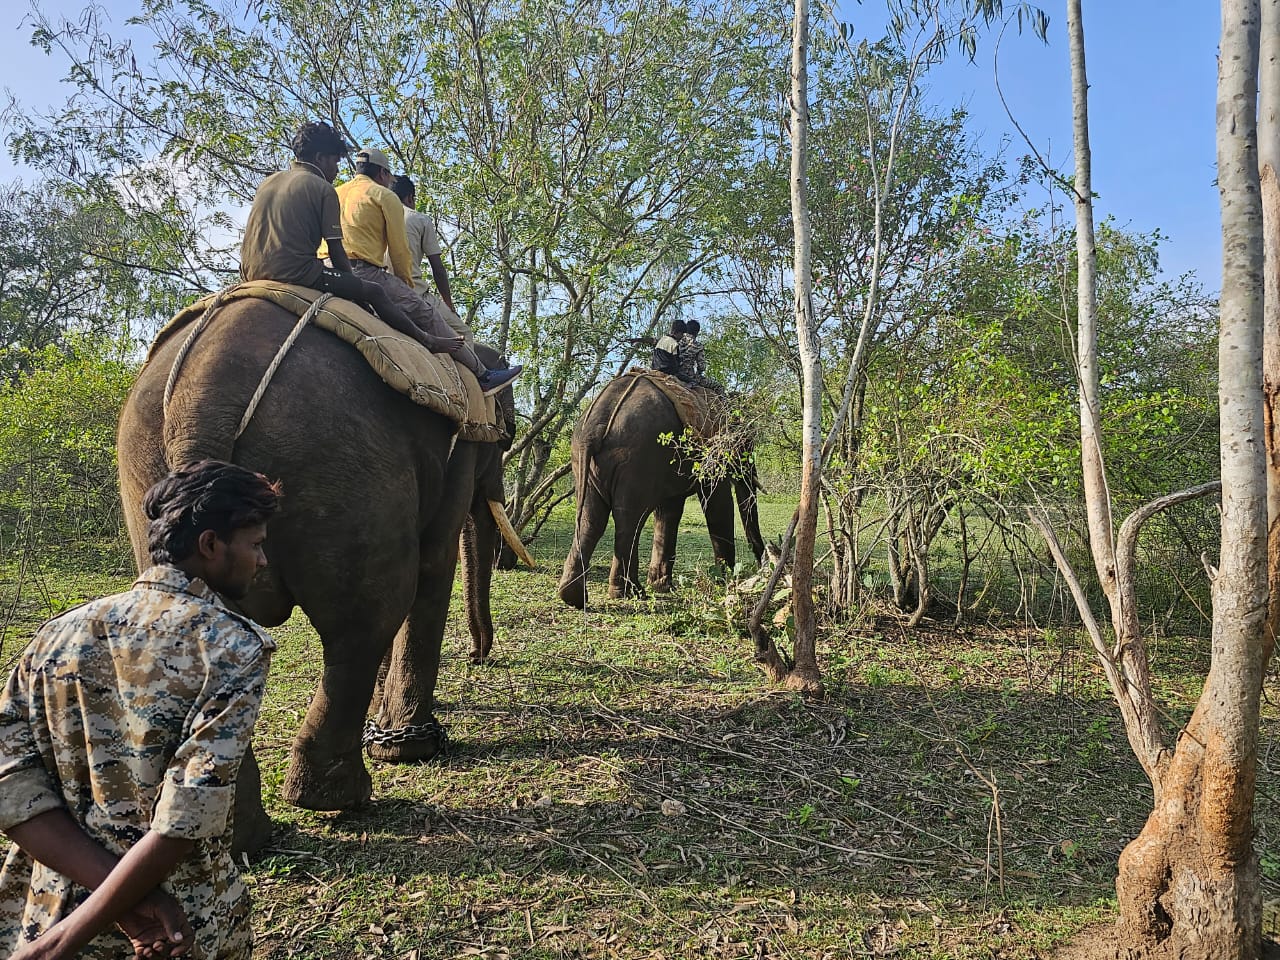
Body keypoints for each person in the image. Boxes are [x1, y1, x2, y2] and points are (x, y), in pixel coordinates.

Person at [0, 461, 282, 960]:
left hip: (52, 906)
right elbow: (186, 818)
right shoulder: (231, 647)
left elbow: (13, 789)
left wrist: (79, 928)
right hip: (182, 922)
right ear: (211, 545)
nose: (262, 561)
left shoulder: (55, 635)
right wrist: (64, 945)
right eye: (255, 544)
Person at [240, 121, 451, 358]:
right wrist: (356, 290)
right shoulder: (322, 188)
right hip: (297, 272)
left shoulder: (269, 181)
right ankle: (428, 339)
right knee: (375, 293)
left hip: (250, 272)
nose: (337, 170)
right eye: (335, 161)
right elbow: (336, 249)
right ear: (320, 158)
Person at [322, 147, 520, 397]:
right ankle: (483, 376)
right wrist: (407, 287)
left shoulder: (334, 192)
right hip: (364, 272)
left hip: (326, 270)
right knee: (429, 316)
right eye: (389, 176)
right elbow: (399, 253)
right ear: (383, 173)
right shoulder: (383, 195)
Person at [387, 175, 473, 343]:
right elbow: (438, 269)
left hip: (380, 286)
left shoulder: (377, 216)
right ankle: (466, 370)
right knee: (463, 332)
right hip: (413, 292)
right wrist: (449, 304)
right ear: (410, 198)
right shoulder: (418, 219)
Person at [676, 319, 723, 392]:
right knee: (719, 386)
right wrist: (698, 374)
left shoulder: (677, 340)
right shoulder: (698, 346)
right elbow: (702, 367)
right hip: (689, 376)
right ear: (697, 332)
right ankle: (723, 402)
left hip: (676, 373)